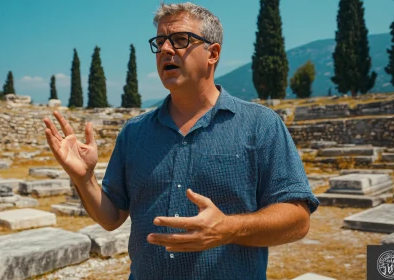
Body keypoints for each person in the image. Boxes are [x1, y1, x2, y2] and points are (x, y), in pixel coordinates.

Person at [44, 2, 319, 279]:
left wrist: (228, 228)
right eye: (160, 41)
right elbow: (111, 217)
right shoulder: (134, 132)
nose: (165, 49)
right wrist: (84, 179)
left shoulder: (260, 125)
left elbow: (298, 219)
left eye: (179, 39)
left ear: (212, 53)